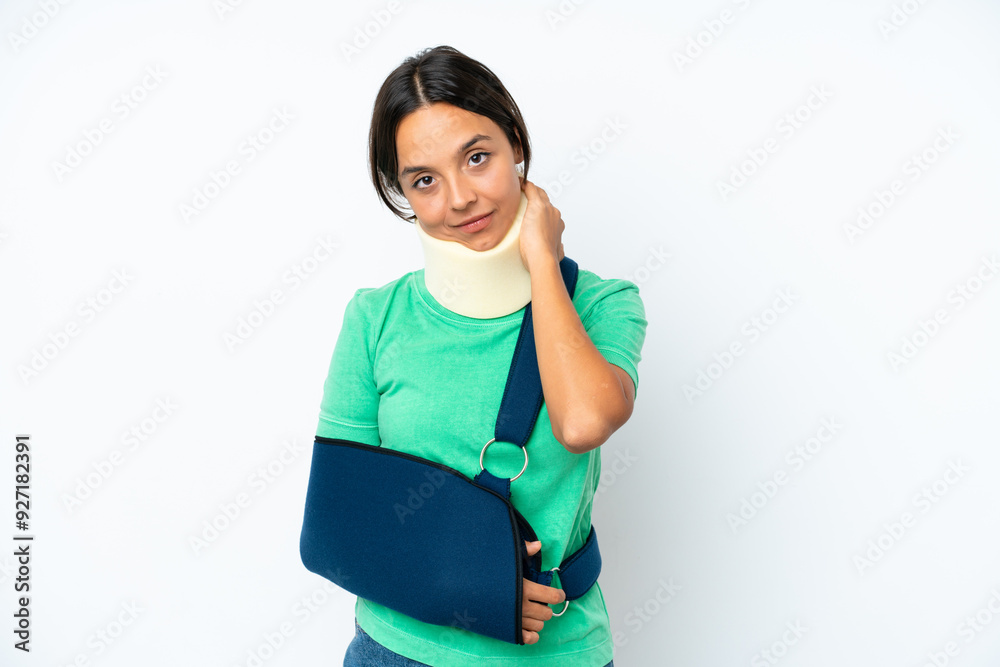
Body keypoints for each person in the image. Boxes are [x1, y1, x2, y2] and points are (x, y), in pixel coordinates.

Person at [314, 44, 646, 667]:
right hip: (396, 650)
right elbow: (339, 522)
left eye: (476, 158)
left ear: (515, 142)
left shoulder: (604, 305)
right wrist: (469, 588)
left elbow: (583, 422)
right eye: (424, 180)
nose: (461, 197)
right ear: (403, 194)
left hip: (558, 652)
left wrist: (542, 262)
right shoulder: (375, 318)